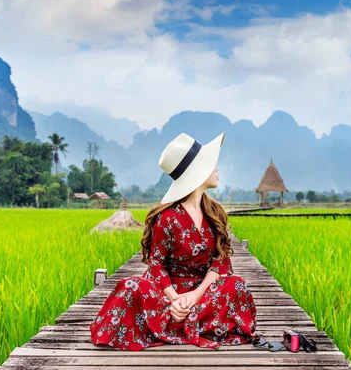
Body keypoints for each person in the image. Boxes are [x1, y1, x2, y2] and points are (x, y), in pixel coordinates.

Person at [89, 131, 257, 350]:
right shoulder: (167, 218)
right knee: (130, 286)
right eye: (211, 163)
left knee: (237, 286)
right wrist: (175, 299)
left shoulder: (215, 212)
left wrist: (195, 296)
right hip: (169, 294)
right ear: (198, 172)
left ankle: (177, 322)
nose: (216, 168)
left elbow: (220, 260)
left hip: (204, 292)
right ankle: (191, 321)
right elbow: (156, 265)